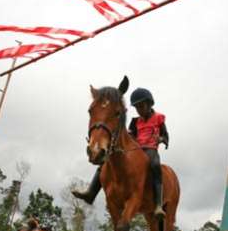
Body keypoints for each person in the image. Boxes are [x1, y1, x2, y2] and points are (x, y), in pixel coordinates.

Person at [72, 87, 169, 218]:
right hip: (136, 149)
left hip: (150, 149)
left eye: (142, 106)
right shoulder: (135, 121)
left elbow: (165, 136)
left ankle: (158, 204)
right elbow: (130, 136)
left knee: (155, 165)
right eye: (137, 107)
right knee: (105, 163)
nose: (140, 109)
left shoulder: (158, 118)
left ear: (149, 104)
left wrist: (161, 139)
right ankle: (91, 192)